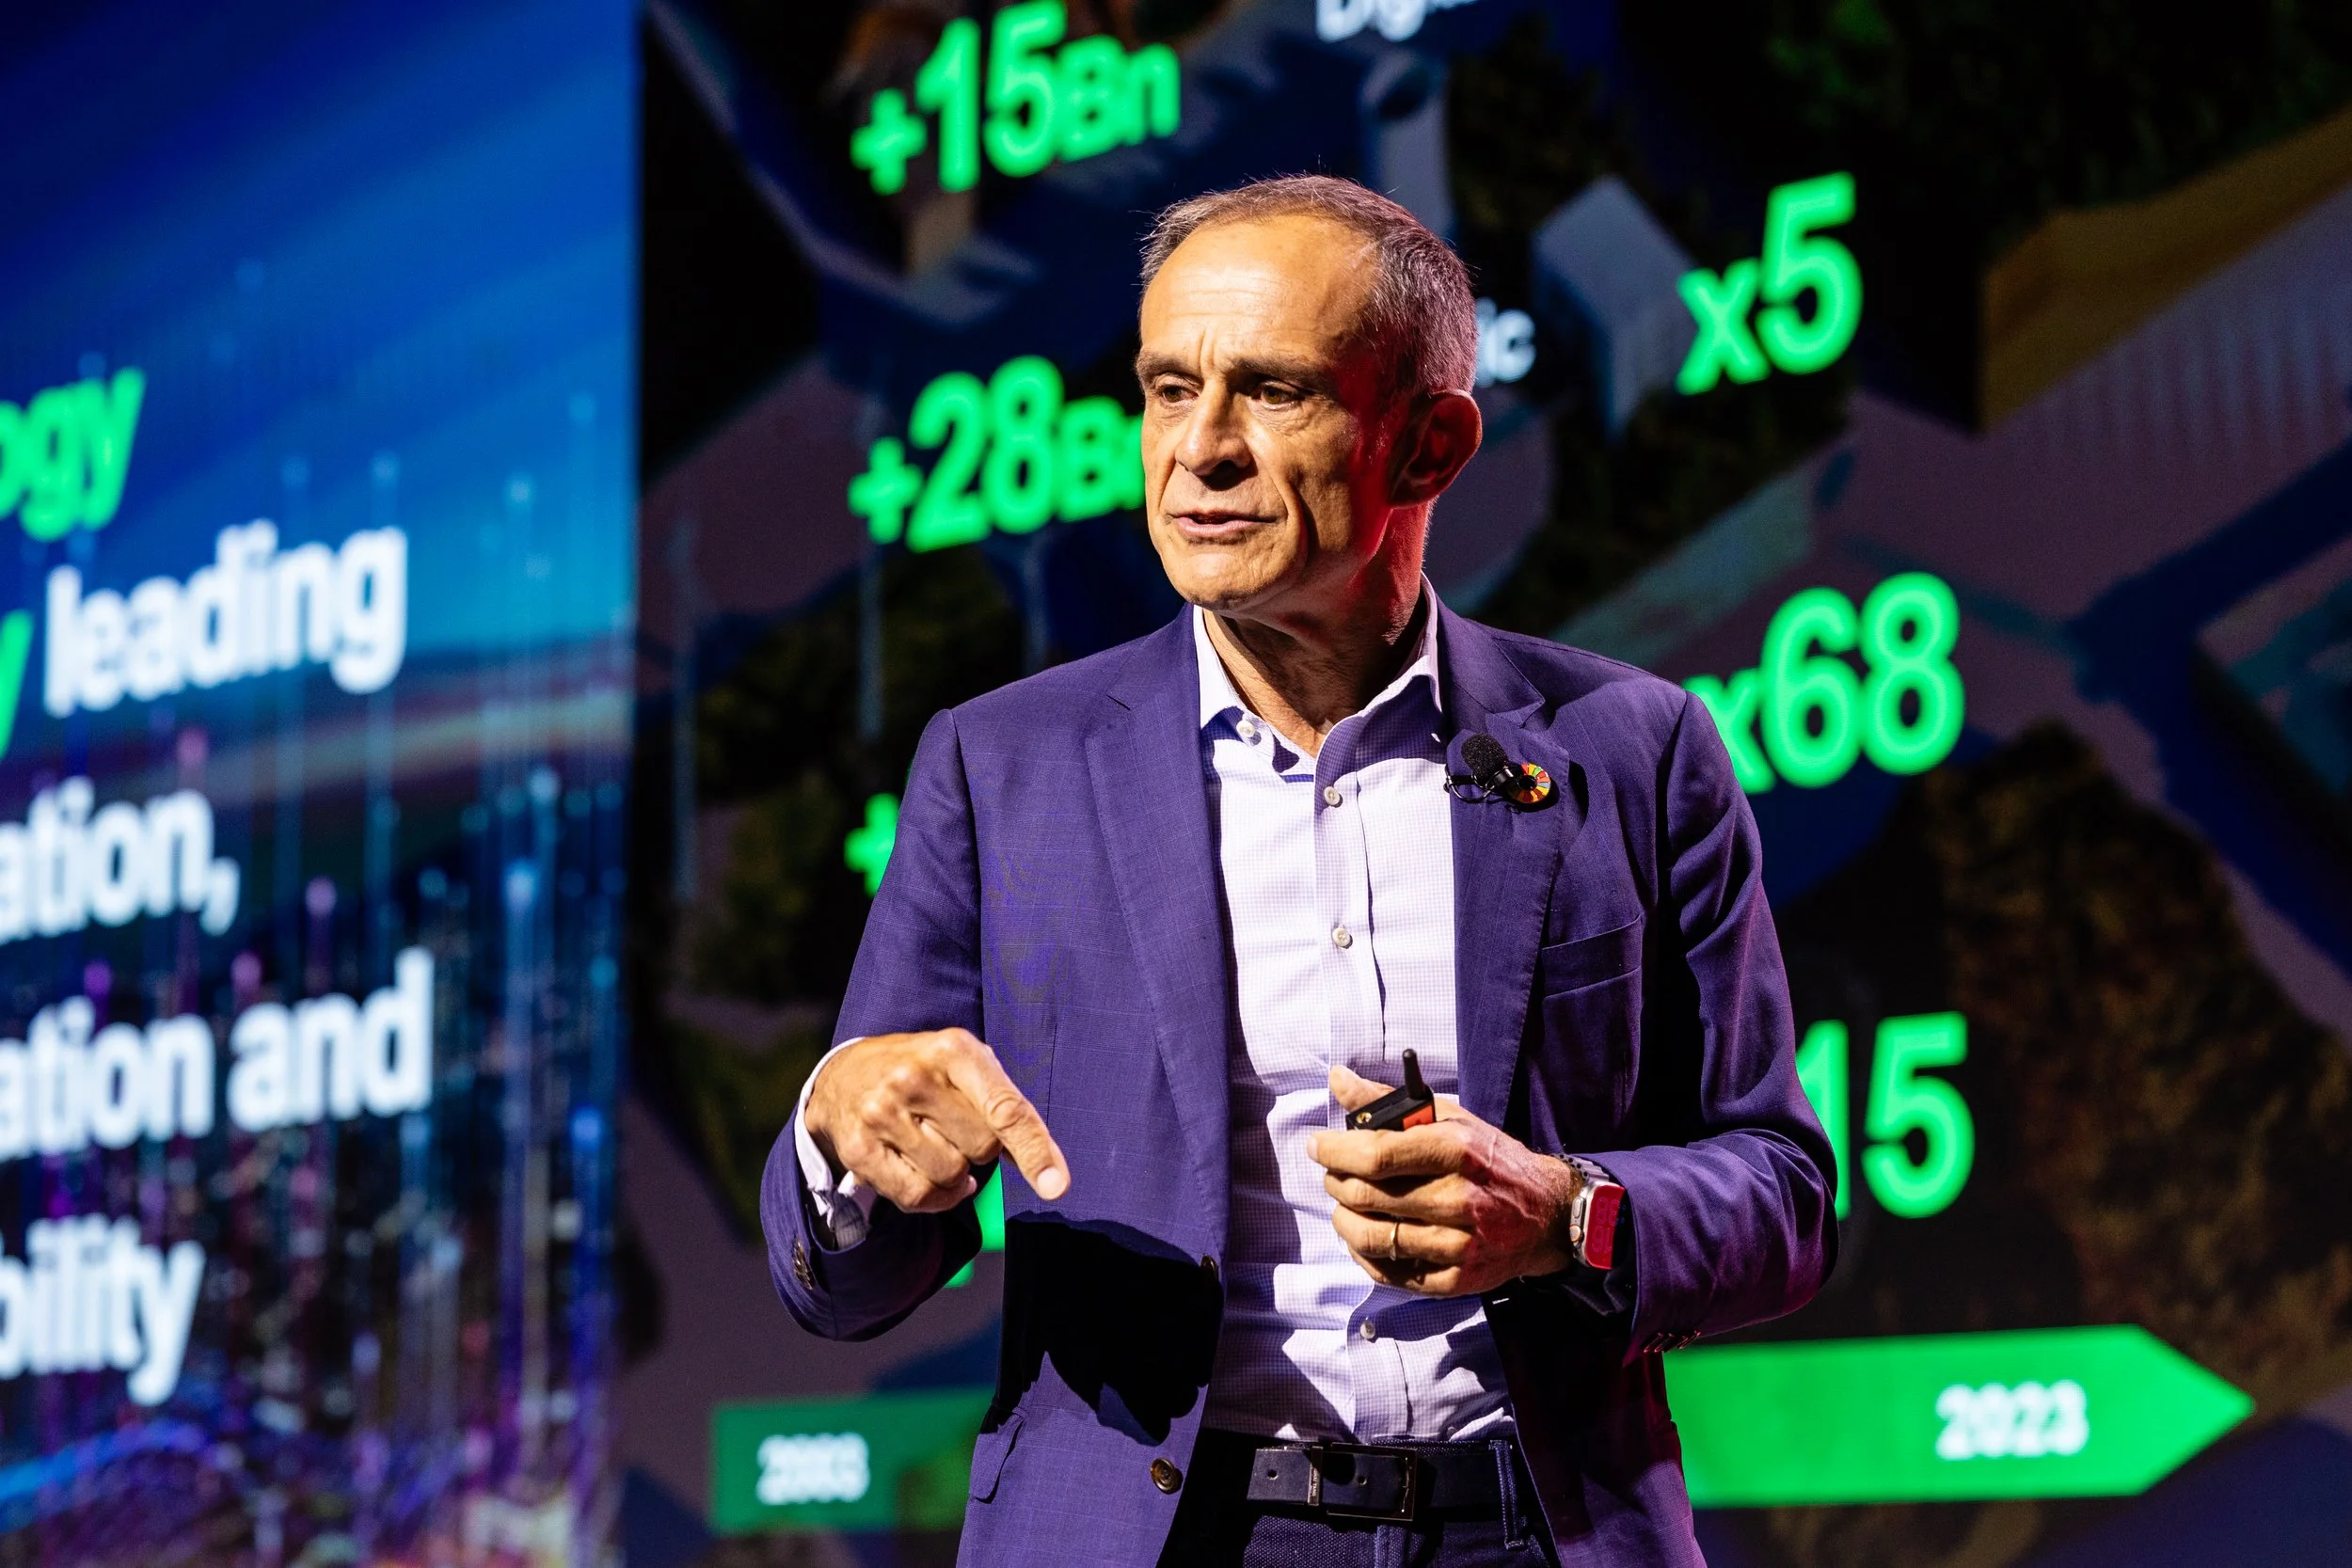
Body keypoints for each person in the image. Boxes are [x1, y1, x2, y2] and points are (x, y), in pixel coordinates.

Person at [761, 174, 1836, 1567]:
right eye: (1167, 389)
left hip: (1532, 1532)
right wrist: (837, 1140)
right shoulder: (1001, 768)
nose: (1199, 449)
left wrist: (1564, 1215)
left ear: (1431, 444)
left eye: (1273, 392)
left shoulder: (1633, 750)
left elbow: (1782, 1197)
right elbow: (846, 1285)